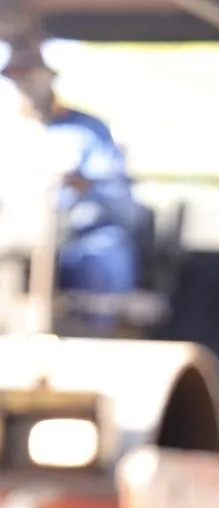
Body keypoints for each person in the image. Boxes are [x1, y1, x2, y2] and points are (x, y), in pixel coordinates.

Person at [1, 43, 138, 330]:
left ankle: (90, 339)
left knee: (103, 258)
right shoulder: (10, 131)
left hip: (79, 237)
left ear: (49, 78)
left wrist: (78, 182)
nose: (26, 84)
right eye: (18, 76)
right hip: (16, 236)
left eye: (32, 75)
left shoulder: (85, 130)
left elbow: (117, 197)